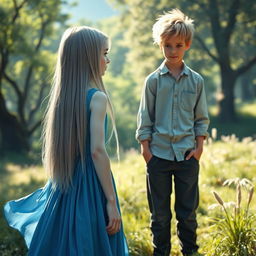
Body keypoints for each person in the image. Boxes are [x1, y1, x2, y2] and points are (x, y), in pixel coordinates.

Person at [4, 26, 129, 256]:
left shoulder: (63, 99)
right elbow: (97, 152)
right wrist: (111, 201)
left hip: (64, 184)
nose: (108, 60)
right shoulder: (97, 98)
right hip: (91, 187)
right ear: (89, 57)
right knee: (91, 243)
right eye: (104, 53)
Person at [136, 9, 209, 256]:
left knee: (187, 213)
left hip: (188, 156)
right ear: (160, 45)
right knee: (159, 215)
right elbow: (145, 118)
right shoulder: (153, 81)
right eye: (168, 45)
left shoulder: (196, 81)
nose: (173, 51)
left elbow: (201, 118)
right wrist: (147, 151)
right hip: (158, 156)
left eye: (178, 45)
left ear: (187, 45)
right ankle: (161, 252)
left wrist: (199, 148)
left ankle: (190, 251)